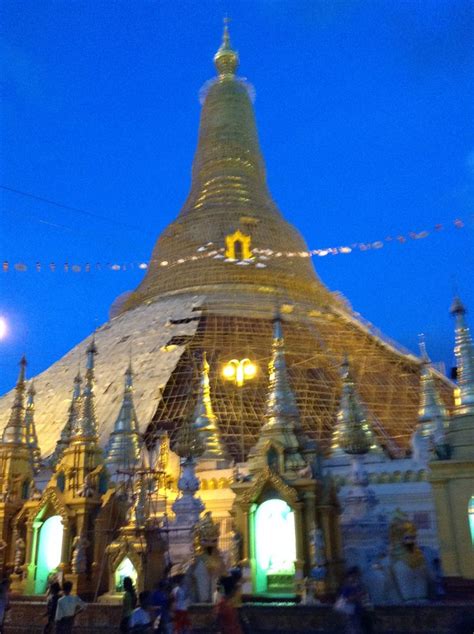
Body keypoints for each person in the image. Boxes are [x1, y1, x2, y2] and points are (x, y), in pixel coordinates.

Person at [336, 567, 373, 634]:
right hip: (352, 614)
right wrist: (358, 595)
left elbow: (366, 599)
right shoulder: (347, 587)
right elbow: (346, 600)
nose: (357, 577)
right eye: (355, 575)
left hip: (361, 613)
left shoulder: (360, 585)